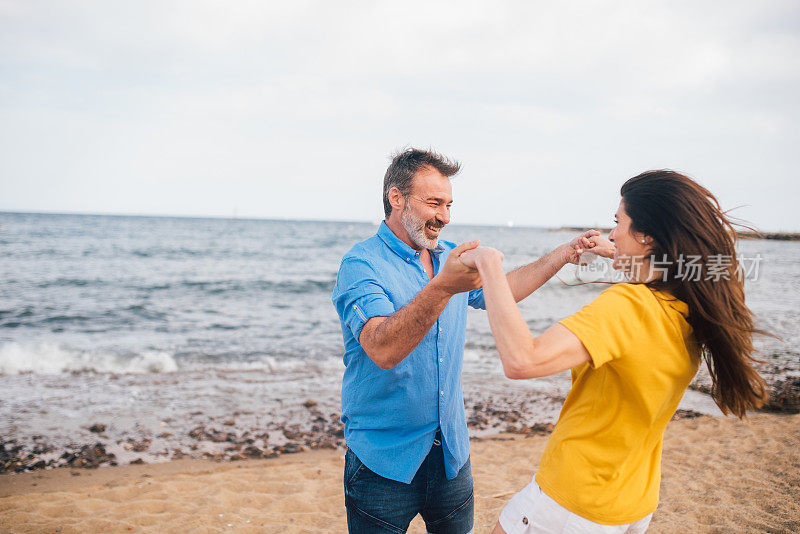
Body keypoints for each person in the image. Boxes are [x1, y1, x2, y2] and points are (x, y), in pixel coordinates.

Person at [459, 170, 769, 533]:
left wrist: (490, 267)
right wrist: (623, 255)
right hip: (632, 502)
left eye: (617, 222)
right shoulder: (689, 306)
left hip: (573, 500)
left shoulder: (628, 305)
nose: (610, 233)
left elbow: (522, 359)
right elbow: (670, 277)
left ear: (647, 236)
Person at [332, 148, 598, 533]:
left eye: (449, 204)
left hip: (452, 456)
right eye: (434, 203)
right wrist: (443, 286)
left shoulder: (447, 258)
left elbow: (500, 291)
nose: (445, 216)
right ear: (396, 198)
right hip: (382, 463)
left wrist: (562, 254)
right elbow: (381, 348)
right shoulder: (361, 264)